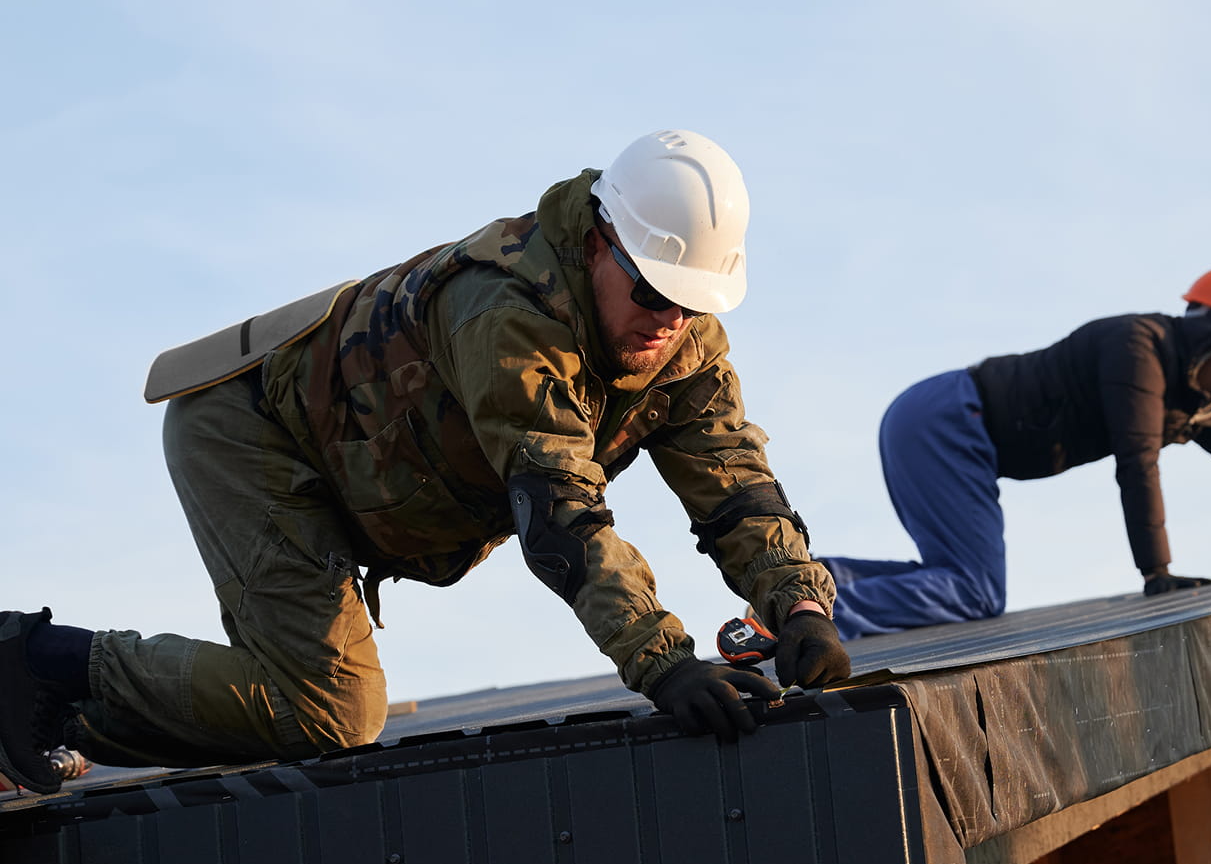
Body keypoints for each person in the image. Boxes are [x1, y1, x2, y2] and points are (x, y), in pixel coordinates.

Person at [1, 130, 849, 794]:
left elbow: (734, 481)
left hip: (353, 482)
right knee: (331, 708)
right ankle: (29, 663)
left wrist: (800, 604)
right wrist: (661, 661)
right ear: (598, 243)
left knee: (314, 708)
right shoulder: (509, 313)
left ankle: (41, 717)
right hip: (254, 433)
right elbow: (560, 514)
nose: (669, 321)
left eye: (693, 302)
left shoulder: (680, 342)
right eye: (655, 292)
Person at [819, 268, 1211, 641]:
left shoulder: (1201, 406)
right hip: (946, 419)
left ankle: (811, 579)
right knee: (975, 591)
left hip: (945, 424)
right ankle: (805, 620)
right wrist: (1157, 572)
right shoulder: (1139, 346)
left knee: (960, 579)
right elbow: (1137, 459)